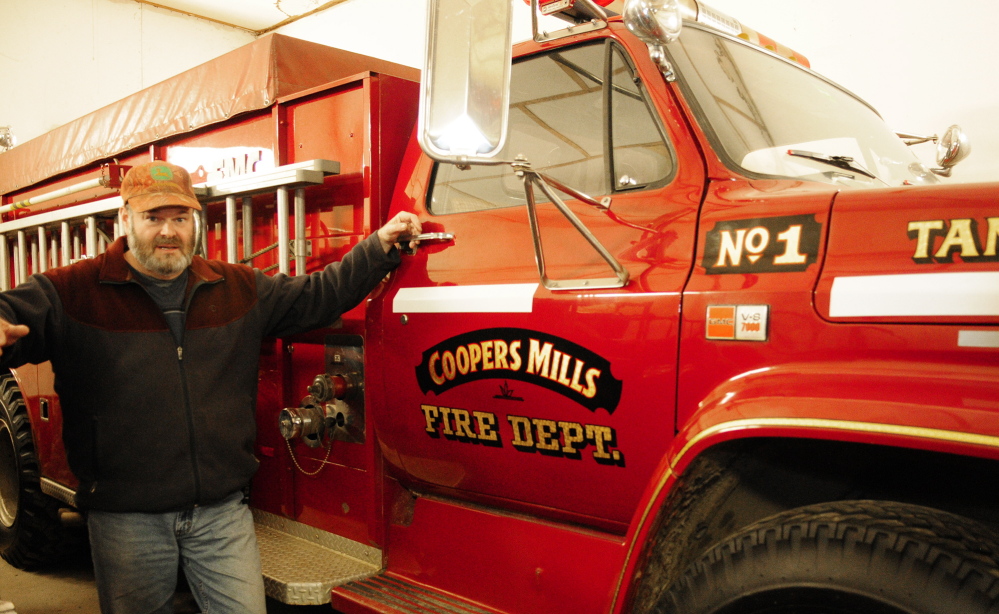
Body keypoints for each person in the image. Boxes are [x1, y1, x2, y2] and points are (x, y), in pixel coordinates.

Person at [0, 160, 421, 614]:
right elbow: (13, 317)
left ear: (195, 222)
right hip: (127, 519)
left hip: (221, 515)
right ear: (125, 219)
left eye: (180, 218)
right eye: (153, 218)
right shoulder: (74, 292)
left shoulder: (235, 287)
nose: (168, 231)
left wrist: (379, 247)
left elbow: (318, 294)